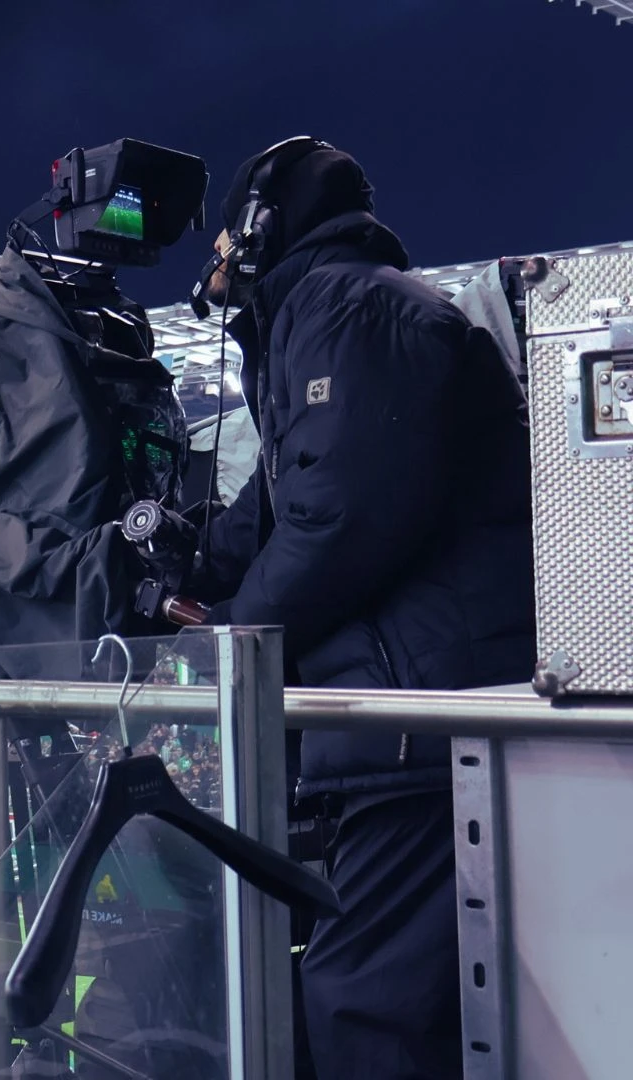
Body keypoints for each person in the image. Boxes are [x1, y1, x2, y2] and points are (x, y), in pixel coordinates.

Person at [192, 137, 533, 1078]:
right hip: (412, 729)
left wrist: (223, 650)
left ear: (262, 227)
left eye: (229, 234)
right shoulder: (342, 312)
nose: (218, 257)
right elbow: (271, 515)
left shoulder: (348, 310)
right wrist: (166, 563)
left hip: (416, 735)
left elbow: (338, 519)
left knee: (363, 1013)